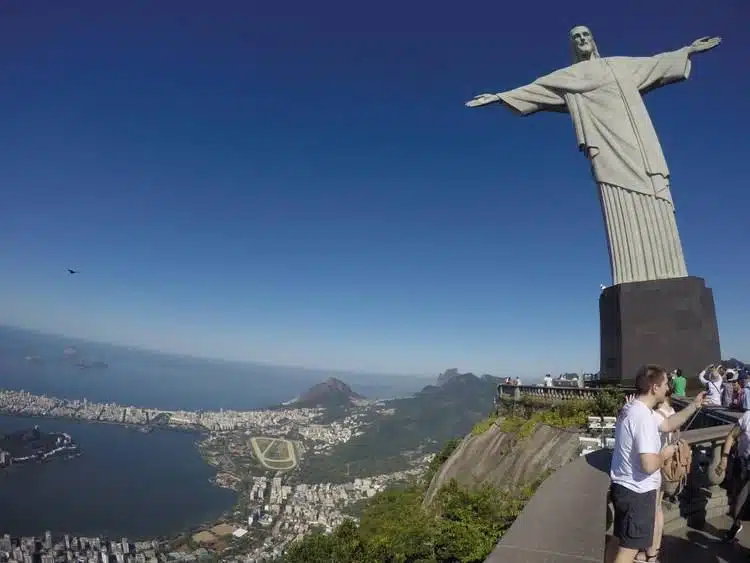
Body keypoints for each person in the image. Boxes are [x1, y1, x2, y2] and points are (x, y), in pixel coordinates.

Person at [607, 365, 705, 563]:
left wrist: (693, 406)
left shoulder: (633, 408)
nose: (668, 388)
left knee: (627, 545)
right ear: (654, 387)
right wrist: (665, 454)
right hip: (637, 493)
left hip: (626, 488)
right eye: (665, 384)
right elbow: (649, 465)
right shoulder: (642, 417)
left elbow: (667, 424)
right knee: (629, 550)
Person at [716, 408, 750, 541]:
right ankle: (736, 525)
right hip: (744, 466)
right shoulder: (748, 417)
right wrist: (724, 458)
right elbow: (731, 436)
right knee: (738, 504)